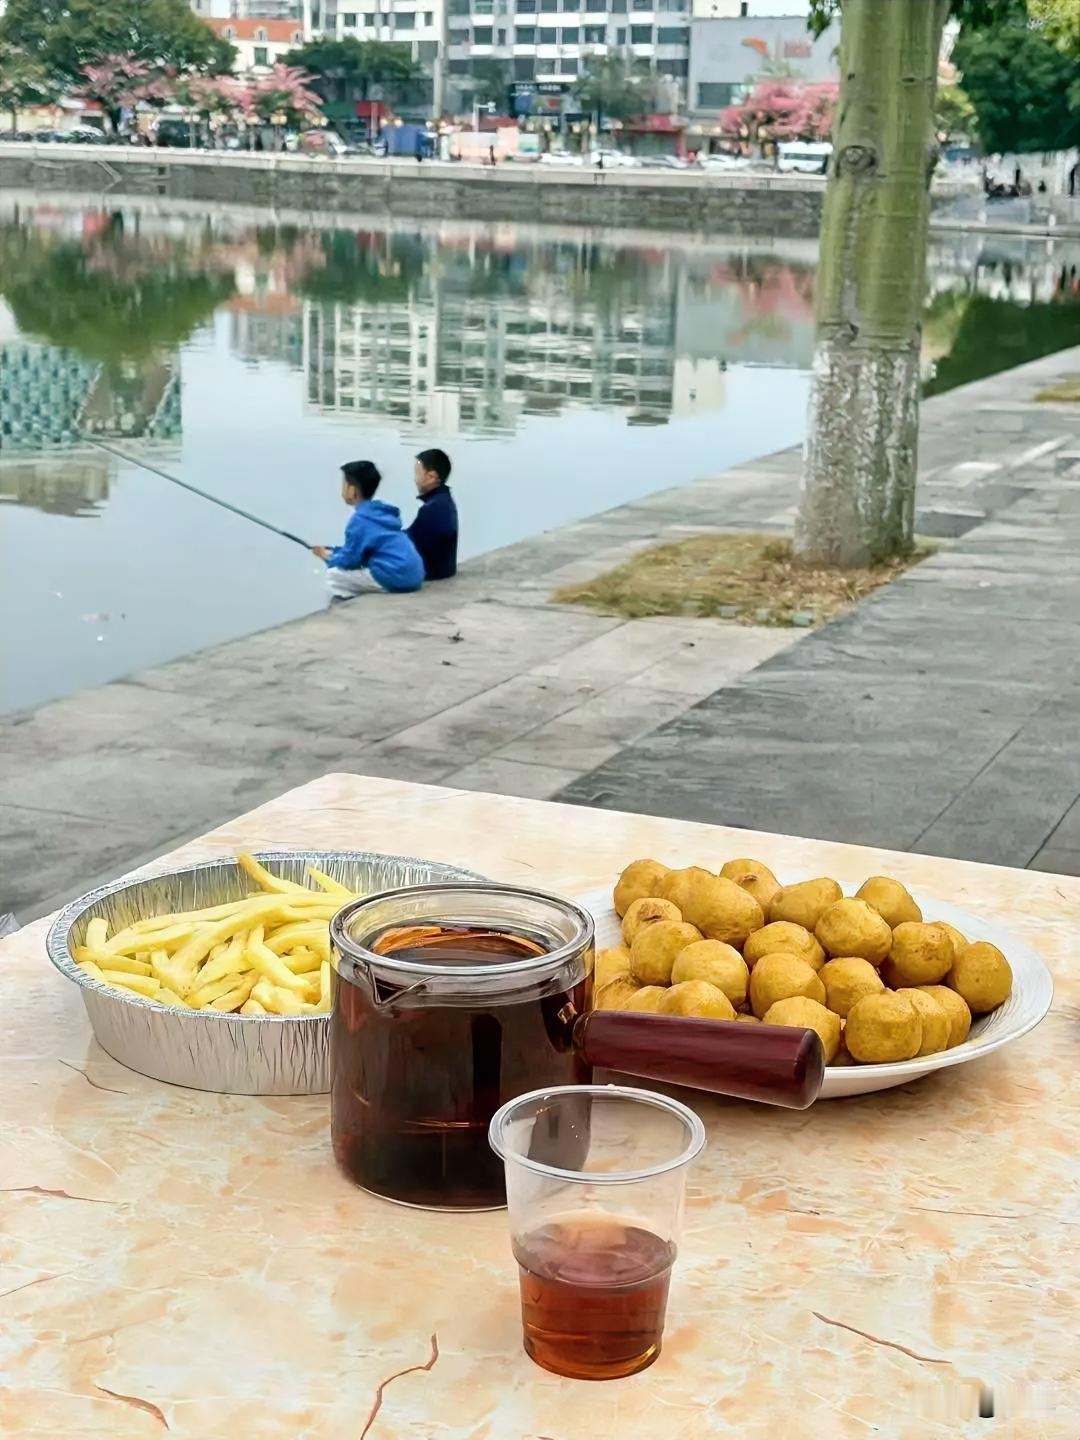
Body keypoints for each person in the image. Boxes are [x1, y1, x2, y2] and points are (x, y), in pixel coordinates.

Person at [311, 460, 424, 599]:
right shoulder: (380, 512)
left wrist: (328, 557)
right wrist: (333, 551)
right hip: (414, 574)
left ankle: (344, 605)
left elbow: (350, 560)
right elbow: (360, 550)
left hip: (396, 577)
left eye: (344, 485)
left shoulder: (359, 520)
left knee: (333, 576)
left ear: (352, 490)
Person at [407, 448, 458, 581]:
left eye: (418, 474)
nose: (415, 480)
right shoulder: (445, 502)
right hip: (445, 570)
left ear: (431, 477)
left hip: (433, 574)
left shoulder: (433, 509)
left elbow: (408, 543)